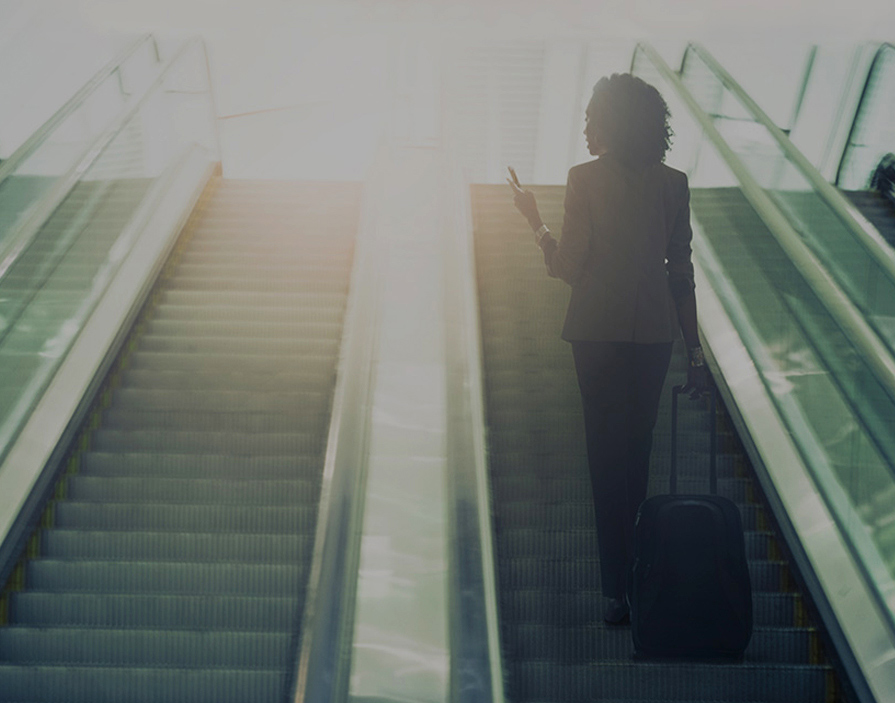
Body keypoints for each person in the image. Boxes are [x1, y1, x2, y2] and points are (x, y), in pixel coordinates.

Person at [509, 73, 709, 625]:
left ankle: (618, 592)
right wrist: (695, 352)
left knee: (605, 457)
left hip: (596, 335)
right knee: (637, 458)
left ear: (608, 122)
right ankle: (642, 581)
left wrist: (535, 222)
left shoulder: (584, 180)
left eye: (593, 115)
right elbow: (681, 274)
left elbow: (568, 268)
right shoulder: (674, 183)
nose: (586, 126)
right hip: (652, 339)